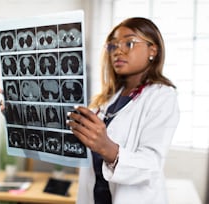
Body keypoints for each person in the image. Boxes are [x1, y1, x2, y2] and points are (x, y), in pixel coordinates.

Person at [66, 17, 179, 204]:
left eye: (129, 43)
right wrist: (22, 113)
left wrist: (106, 147)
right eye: (113, 46)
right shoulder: (105, 101)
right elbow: (76, 143)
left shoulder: (162, 96)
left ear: (153, 50)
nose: (118, 50)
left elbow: (151, 165)